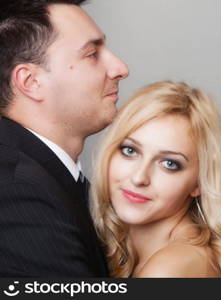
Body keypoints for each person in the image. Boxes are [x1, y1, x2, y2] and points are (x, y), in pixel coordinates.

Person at [0, 0, 129, 276]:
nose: (120, 68)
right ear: (31, 82)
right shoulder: (18, 192)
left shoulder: (47, 177)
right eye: (92, 53)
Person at [91, 81, 221, 277]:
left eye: (169, 164)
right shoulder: (153, 256)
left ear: (199, 182)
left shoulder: (169, 268)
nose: (139, 177)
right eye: (130, 150)